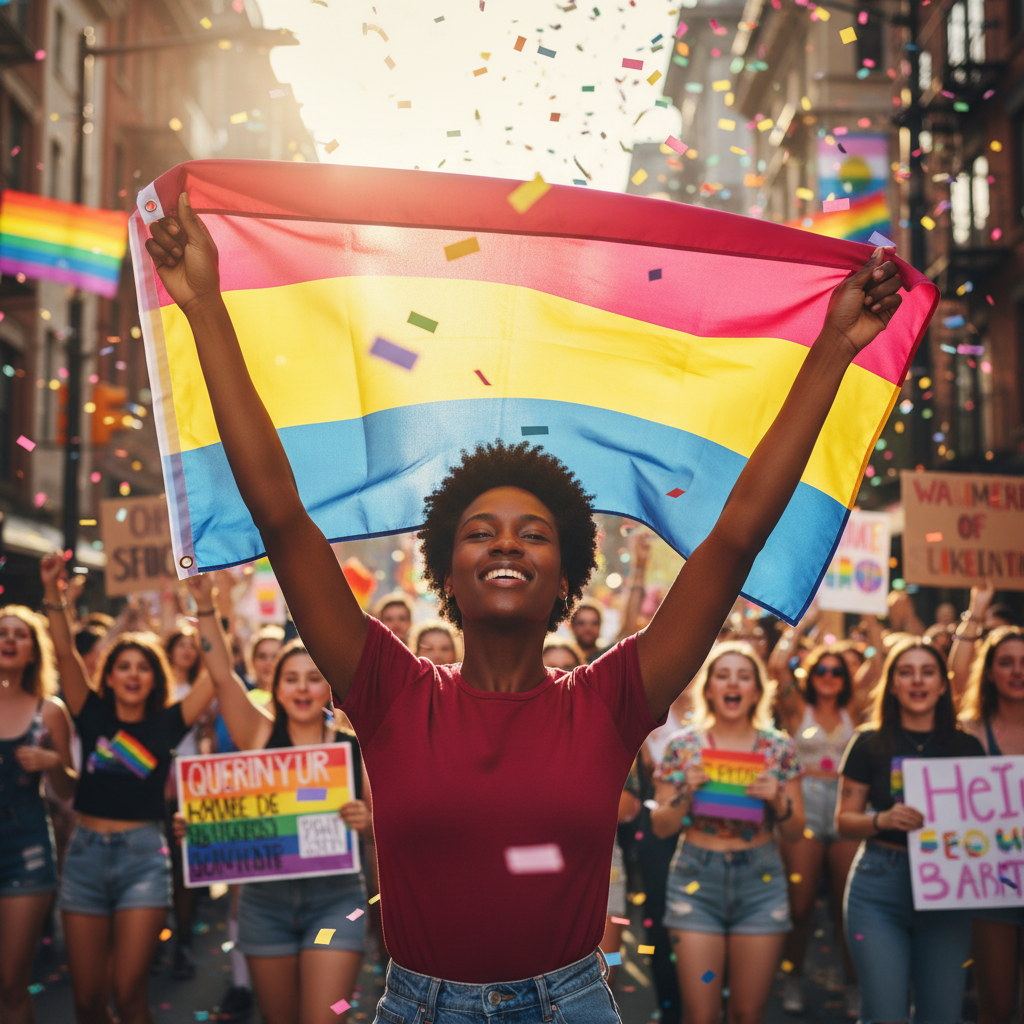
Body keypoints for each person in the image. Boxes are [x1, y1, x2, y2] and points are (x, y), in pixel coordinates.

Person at [145, 191, 905, 1020]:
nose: (506, 544)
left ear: (566, 574)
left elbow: (732, 540)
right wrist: (205, 309)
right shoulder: (390, 692)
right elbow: (282, 513)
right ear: (447, 567)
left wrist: (833, 345)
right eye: (480, 532)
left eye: (533, 534)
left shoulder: (616, 699)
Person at [182, 574, 372, 1024]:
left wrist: (367, 819)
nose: (303, 688)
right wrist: (208, 606)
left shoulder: (352, 744)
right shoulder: (259, 733)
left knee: (328, 1017)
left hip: (336, 901)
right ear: (276, 687)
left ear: (328, 686)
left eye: (313, 678)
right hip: (263, 905)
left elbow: (386, 820)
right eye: (291, 679)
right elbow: (222, 676)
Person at [39, 553, 215, 1024]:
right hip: (84, 859)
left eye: (143, 666)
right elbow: (63, 653)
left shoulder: (167, 724)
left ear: (154, 677)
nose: (133, 674)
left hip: (143, 859)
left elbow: (215, 677)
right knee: (88, 1003)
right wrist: (54, 596)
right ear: (110, 676)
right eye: (124, 666)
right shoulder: (90, 713)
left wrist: (208, 610)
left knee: (129, 996)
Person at [651, 643, 805, 1024]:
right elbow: (661, 825)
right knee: (700, 1014)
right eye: (723, 675)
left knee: (746, 1012)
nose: (733, 683)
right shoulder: (682, 747)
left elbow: (797, 831)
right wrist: (686, 792)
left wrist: (778, 800)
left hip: (761, 881)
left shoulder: (779, 747)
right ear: (708, 689)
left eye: (743, 676)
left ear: (756, 690)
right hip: (696, 883)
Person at [837, 638, 985, 1024]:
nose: (917, 681)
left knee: (941, 1015)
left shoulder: (966, 746)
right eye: (906, 672)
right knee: (884, 1015)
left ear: (942, 684)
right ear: (893, 684)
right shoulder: (868, 742)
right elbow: (843, 821)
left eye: (928, 671)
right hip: (878, 888)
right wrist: (881, 820)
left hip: (948, 891)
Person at [0, 606, 77, 1024]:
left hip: (25, 848)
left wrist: (51, 761)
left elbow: (68, 790)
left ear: (33, 652)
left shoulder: (49, 712)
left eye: (20, 635)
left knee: (12, 983)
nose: (9, 640)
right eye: (2, 632)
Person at [773, 644, 859, 1017]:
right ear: (810, 675)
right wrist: (801, 627)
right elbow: (778, 666)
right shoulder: (797, 709)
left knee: (848, 907)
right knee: (801, 904)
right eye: (820, 670)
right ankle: (792, 977)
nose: (828, 676)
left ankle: (853, 982)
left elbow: (878, 665)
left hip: (845, 806)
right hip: (804, 807)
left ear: (845, 679)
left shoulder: (854, 712)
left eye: (836, 671)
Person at [959, 626, 1024, 1024]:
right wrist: (976, 615)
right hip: (992, 884)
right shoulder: (970, 732)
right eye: (1006, 663)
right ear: (989, 672)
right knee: (996, 1009)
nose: (1017, 671)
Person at [163, 626, 207, 980]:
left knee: (185, 869)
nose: (187, 651)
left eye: (193, 646)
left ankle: (182, 940)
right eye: (181, 645)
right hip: (155, 786)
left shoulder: (202, 689)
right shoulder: (156, 684)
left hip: (191, 786)